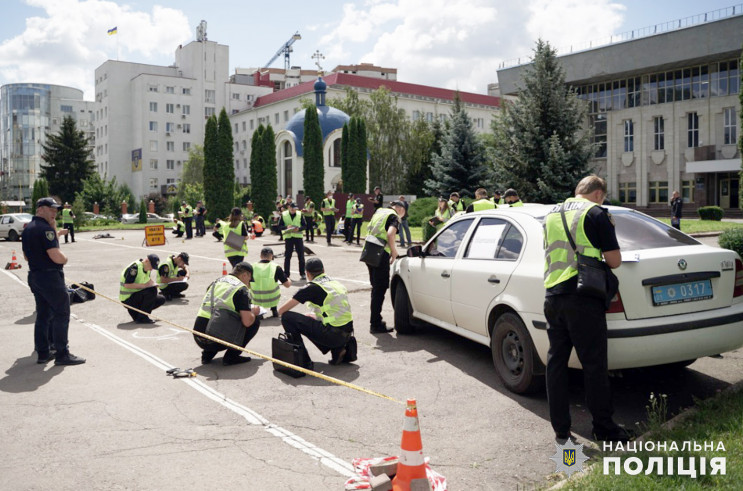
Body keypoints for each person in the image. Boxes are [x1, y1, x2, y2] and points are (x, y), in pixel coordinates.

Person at [543, 175, 631, 444]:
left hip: (553, 295)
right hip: (583, 297)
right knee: (594, 365)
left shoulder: (551, 214)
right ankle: (604, 429)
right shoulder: (595, 213)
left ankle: (561, 430)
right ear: (598, 194)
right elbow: (614, 260)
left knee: (556, 363)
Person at [21, 197, 85, 366]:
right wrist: (65, 259)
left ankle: (43, 352)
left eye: (56, 210)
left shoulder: (28, 229)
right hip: (50, 277)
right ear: (41, 209)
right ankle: (62, 353)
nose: (54, 213)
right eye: (52, 209)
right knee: (62, 313)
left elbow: (26, 256)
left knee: (43, 314)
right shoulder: (45, 230)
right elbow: (56, 256)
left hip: (35, 276)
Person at [278, 257, 354, 365]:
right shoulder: (335, 283)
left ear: (307, 273)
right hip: (347, 333)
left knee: (287, 317)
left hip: (332, 336)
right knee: (312, 318)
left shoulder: (311, 288)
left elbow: (281, 310)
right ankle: (338, 350)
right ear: (323, 270)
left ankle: (303, 360)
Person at [193, 262, 261, 365]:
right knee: (254, 320)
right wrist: (253, 312)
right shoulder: (241, 289)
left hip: (199, 337)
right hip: (216, 341)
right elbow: (247, 322)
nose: (249, 284)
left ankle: (207, 355)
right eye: (249, 280)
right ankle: (231, 357)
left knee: (218, 317)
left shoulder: (216, 282)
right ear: (245, 275)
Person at [364, 201, 405, 333]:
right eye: (404, 213)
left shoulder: (380, 211)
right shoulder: (394, 216)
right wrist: (394, 252)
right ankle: (375, 324)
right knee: (380, 289)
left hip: (369, 250)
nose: (402, 217)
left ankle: (374, 321)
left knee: (376, 289)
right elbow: (390, 234)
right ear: (400, 209)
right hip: (380, 253)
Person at [120, 254, 166, 324]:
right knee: (152, 291)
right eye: (152, 266)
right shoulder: (135, 268)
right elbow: (127, 285)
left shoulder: (147, 268)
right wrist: (144, 286)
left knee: (161, 299)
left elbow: (147, 279)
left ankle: (138, 314)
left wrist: (154, 283)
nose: (151, 269)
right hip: (128, 299)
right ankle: (142, 317)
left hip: (136, 296)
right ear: (147, 261)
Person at [251, 247, 292, 318]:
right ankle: (274, 310)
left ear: (260, 256)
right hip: (272, 299)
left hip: (256, 299)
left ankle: (258, 312)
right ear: (272, 256)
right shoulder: (276, 267)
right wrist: (288, 278)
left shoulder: (252, 267)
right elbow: (287, 285)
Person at [280, 203, 306, 280]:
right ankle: (286, 274)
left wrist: (299, 229)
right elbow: (279, 226)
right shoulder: (284, 214)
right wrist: (286, 227)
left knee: (301, 256)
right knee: (288, 256)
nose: (294, 210)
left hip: (298, 237)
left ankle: (302, 273)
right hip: (288, 237)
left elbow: (305, 225)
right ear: (289, 208)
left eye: (295, 209)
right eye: (292, 209)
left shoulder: (300, 214)